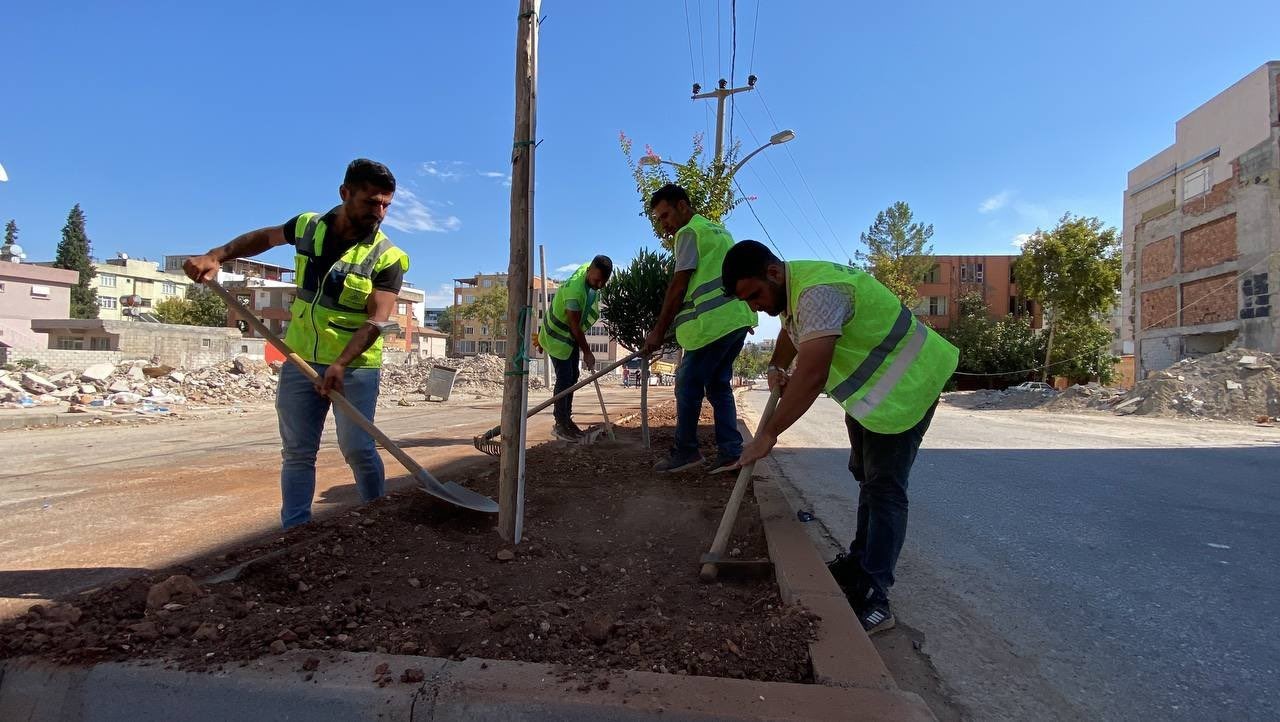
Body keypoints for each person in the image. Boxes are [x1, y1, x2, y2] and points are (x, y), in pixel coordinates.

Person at [720, 240, 958, 634]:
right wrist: (779, 362)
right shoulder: (795, 288)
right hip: (877, 398)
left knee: (885, 490)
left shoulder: (818, 292)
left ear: (773, 273)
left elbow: (812, 376)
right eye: (747, 301)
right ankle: (860, 561)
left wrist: (768, 435)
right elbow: (793, 330)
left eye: (756, 296)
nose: (755, 307)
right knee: (868, 478)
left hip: (909, 386)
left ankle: (876, 596)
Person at [184, 159, 410, 529]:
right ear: (345, 193)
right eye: (372, 202)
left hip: (354, 367)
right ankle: (295, 532)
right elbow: (264, 238)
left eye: (386, 204)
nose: (380, 212)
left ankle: (376, 524)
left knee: (358, 448)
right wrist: (216, 256)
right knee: (298, 453)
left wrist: (340, 364)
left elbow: (377, 319)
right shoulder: (309, 227)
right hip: (300, 360)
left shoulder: (387, 257)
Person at [641, 184, 757, 473]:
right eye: (659, 219)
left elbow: (679, 285)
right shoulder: (718, 231)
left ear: (683, 205)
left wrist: (657, 331)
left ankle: (686, 452)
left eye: (665, 215)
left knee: (688, 384)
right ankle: (731, 452)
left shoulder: (689, 233)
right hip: (736, 320)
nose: (664, 225)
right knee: (718, 386)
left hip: (713, 326)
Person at [536, 255, 613, 440]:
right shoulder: (574, 293)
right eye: (597, 280)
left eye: (603, 282)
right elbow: (574, 326)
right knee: (565, 378)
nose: (599, 285)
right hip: (557, 337)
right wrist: (587, 352)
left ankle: (566, 420)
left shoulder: (590, 269)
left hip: (568, 338)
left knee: (573, 376)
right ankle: (560, 423)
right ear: (589, 271)